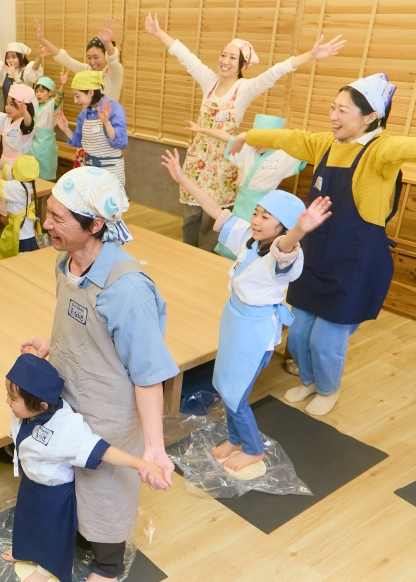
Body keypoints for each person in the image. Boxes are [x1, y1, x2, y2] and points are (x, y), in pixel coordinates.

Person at [20, 166, 177, 582]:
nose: (46, 224)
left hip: (109, 405)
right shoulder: (66, 262)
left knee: (105, 486)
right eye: (47, 212)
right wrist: (52, 345)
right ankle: (76, 534)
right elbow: (81, 323)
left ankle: (108, 564)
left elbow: (148, 374)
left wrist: (153, 447)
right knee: (69, 474)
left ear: (95, 225)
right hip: (70, 393)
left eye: (58, 218)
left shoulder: (126, 290)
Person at [229, 73, 416, 416]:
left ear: (370, 116)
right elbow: (289, 136)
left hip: (354, 264)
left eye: (343, 111)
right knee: (299, 334)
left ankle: (329, 389)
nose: (333, 116)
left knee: (326, 340)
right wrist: (246, 134)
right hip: (316, 257)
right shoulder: (325, 145)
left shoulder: (381, 151)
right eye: (333, 107)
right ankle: (310, 380)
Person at [162, 149, 331, 472]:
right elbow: (216, 211)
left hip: (254, 330)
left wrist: (300, 230)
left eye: (266, 217)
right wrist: (183, 178)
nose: (255, 220)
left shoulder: (283, 256)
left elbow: (285, 246)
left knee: (235, 393)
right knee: (223, 384)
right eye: (256, 212)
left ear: (284, 228)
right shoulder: (250, 239)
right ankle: (236, 439)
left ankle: (252, 448)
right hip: (234, 320)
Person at [144, 13, 345, 250]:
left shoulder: (246, 88)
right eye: (223, 54)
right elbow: (185, 56)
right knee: (190, 212)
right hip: (200, 155)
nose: (225, 60)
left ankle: (207, 258)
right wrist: (158, 33)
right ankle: (188, 252)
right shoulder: (209, 81)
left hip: (227, 156)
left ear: (242, 64)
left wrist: (311, 55)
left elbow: (277, 71)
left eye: (232, 57)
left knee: (212, 218)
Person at [1, 353, 164, 582]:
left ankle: (47, 568)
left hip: (54, 491)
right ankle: (25, 550)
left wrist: (141, 463)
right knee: (27, 518)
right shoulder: (27, 411)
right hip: (31, 481)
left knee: (51, 529)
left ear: (42, 405)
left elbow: (103, 450)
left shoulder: (67, 426)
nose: (7, 402)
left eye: (12, 398)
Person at [185, 114, 307, 259]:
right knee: (232, 235)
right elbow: (226, 136)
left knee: (252, 239)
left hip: (262, 205)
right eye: (255, 138)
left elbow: (305, 148)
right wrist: (201, 129)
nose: (258, 144)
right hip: (240, 202)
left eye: (263, 140)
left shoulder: (284, 155)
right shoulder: (248, 149)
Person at [54, 70, 127, 187]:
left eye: (77, 96)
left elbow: (121, 143)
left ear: (91, 92)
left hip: (110, 172)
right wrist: (66, 129)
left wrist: (106, 123)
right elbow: (79, 141)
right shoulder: (84, 114)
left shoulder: (115, 109)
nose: (75, 101)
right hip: (89, 170)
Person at [35, 18, 124, 103]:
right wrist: (43, 40)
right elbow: (65, 59)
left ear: (105, 55)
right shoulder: (88, 69)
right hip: (89, 118)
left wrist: (107, 43)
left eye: (96, 57)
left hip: (108, 118)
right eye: (89, 58)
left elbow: (112, 60)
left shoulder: (114, 73)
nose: (92, 62)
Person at [0, 154, 42, 260]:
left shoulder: (16, 187)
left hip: (21, 232)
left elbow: (0, 183)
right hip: (27, 228)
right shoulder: (28, 182)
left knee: (20, 258)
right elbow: (4, 167)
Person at [29, 71, 67, 181]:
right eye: (37, 91)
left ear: (50, 93)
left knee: (44, 176)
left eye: (42, 91)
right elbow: (23, 87)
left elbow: (59, 98)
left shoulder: (52, 104)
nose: (38, 94)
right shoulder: (35, 102)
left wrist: (63, 85)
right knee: (31, 173)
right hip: (33, 143)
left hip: (46, 145)